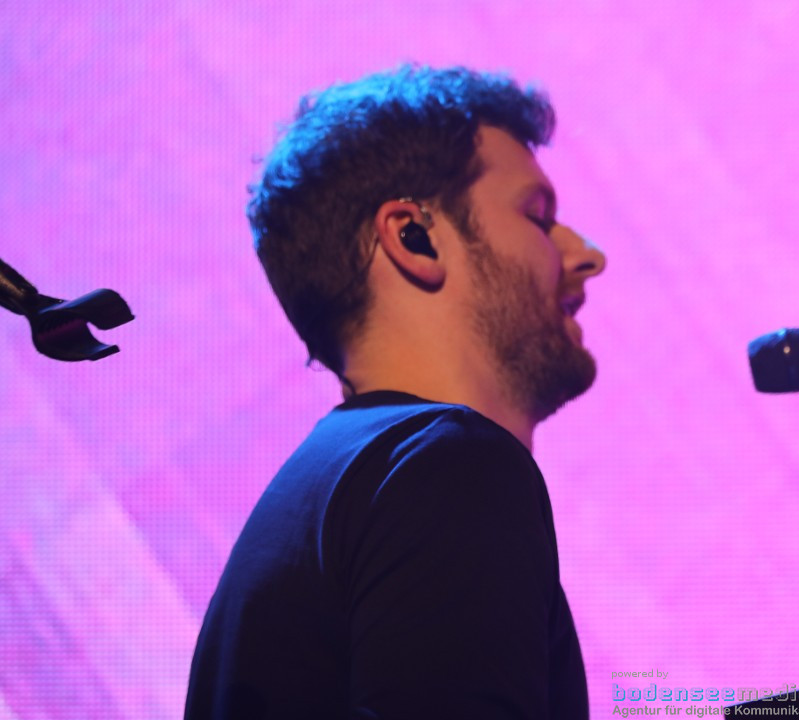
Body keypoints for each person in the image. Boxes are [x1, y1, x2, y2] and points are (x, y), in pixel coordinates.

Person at [184, 65, 606, 719]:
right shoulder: (451, 468)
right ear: (413, 235)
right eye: (539, 218)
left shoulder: (329, 489)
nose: (585, 255)